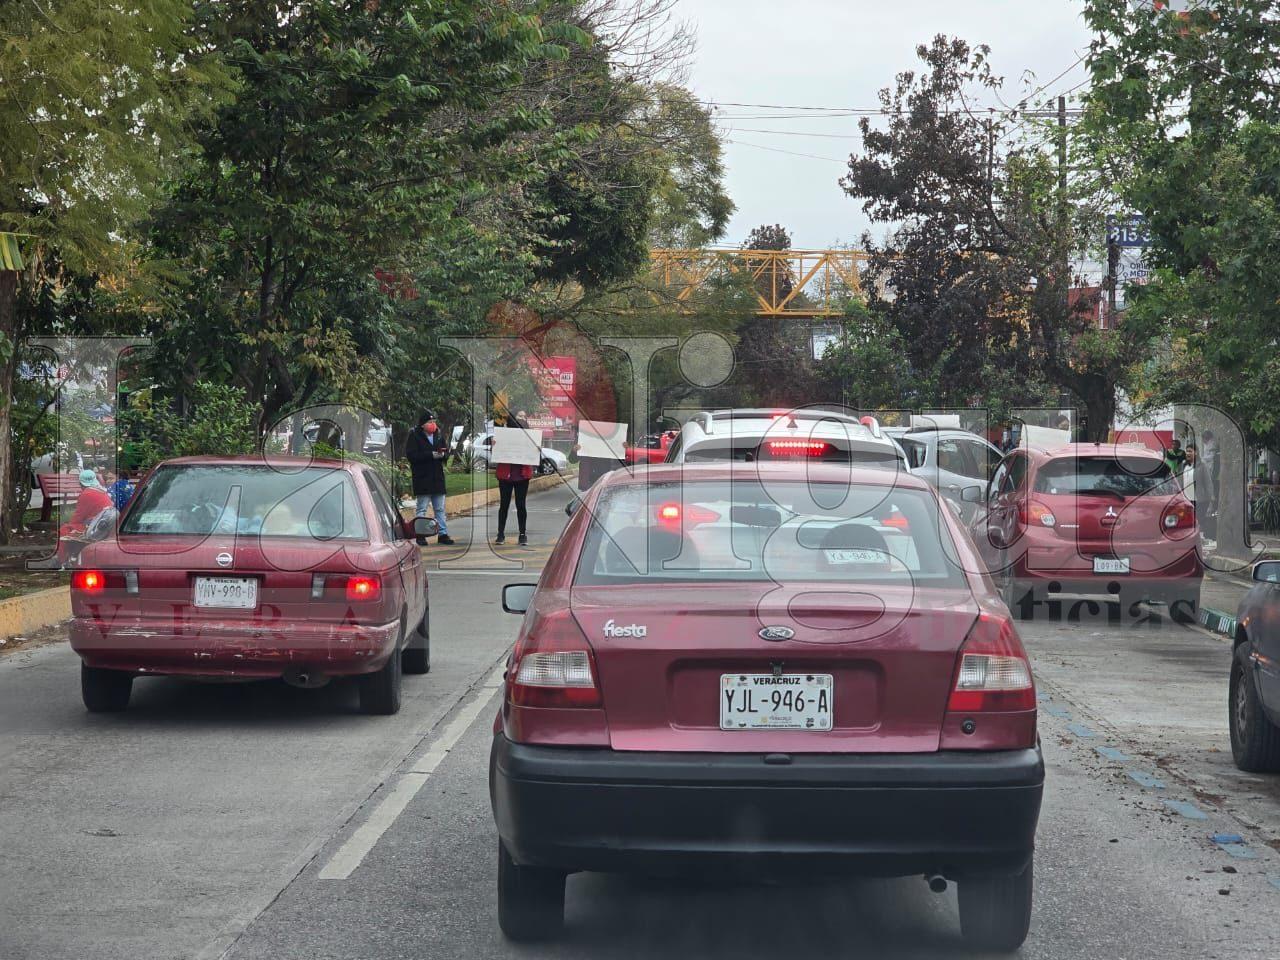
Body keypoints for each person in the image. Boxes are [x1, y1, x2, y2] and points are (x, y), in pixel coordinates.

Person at [405, 410, 454, 546]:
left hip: (437, 477)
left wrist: (443, 455)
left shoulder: (438, 435)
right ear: (422, 425)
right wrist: (430, 455)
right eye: (429, 422)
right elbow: (412, 455)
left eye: (434, 421)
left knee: (440, 508)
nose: (433, 424)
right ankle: (420, 534)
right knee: (422, 508)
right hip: (422, 477)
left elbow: (446, 451)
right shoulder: (414, 436)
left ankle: (443, 534)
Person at [59, 469, 114, 539]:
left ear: (81, 483)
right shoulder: (101, 490)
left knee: (64, 530)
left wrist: (70, 525)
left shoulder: (87, 493)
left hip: (95, 525)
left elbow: (79, 516)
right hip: (105, 524)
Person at [1182, 443, 1216, 546]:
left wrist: (1210, 497)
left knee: (1199, 519)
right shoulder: (1184, 465)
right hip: (1186, 498)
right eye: (1187, 451)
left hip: (1200, 498)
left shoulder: (1202, 465)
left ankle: (1200, 539)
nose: (1188, 453)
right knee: (1188, 520)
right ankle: (1190, 540)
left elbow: (1208, 482)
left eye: (1190, 451)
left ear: (1196, 453)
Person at [495, 459, 532, 545]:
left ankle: (522, 534)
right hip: (505, 475)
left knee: (521, 505)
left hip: (522, 476)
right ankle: (500, 534)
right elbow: (495, 451)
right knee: (504, 505)